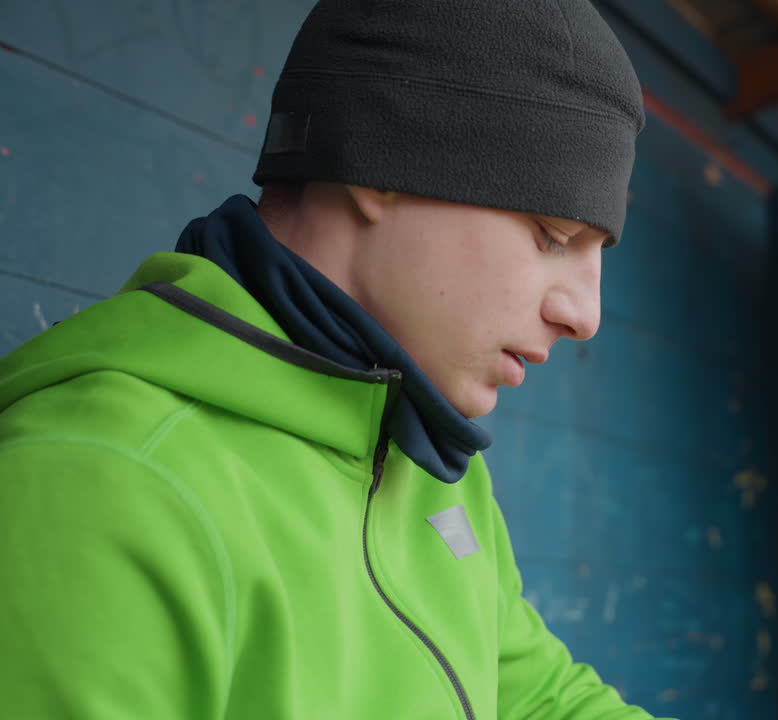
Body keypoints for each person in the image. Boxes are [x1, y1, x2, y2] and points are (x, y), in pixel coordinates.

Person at [0, 1, 671, 718]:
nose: (586, 315)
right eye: (553, 234)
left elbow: (539, 700)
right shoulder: (102, 484)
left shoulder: (434, 468)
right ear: (378, 161)